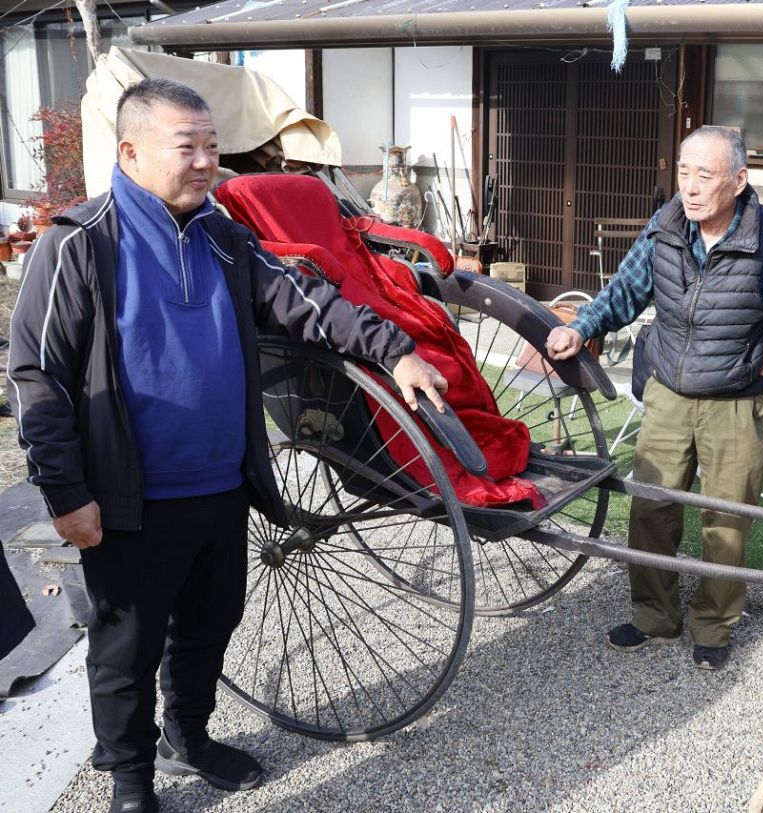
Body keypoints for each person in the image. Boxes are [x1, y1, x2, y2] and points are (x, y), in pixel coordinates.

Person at [7, 79, 448, 813]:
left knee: (212, 624)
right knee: (125, 648)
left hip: (221, 484)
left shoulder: (224, 236)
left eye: (212, 145)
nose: (208, 161)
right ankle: (130, 777)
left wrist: (393, 348)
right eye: (189, 147)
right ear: (132, 152)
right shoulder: (80, 242)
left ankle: (190, 734)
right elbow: (37, 374)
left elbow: (306, 300)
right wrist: (65, 491)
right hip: (127, 499)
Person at [547, 126, 763, 671]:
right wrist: (585, 325)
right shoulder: (667, 226)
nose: (690, 188)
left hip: (738, 403)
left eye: (706, 176)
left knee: (725, 522)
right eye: (684, 173)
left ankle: (714, 625)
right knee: (650, 509)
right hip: (668, 390)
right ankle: (655, 616)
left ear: (739, 181)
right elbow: (626, 288)